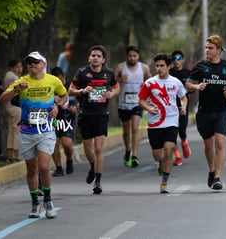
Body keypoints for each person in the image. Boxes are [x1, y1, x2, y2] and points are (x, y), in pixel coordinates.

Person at [0, 51, 67, 219]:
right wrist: (16, 89)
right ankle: (35, 203)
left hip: (46, 130)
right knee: (32, 169)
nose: (32, 64)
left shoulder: (53, 80)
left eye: (36, 62)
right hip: (27, 131)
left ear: (43, 64)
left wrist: (57, 106)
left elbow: (64, 95)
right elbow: (2, 99)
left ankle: (49, 201)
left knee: (44, 167)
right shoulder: (21, 81)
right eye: (29, 62)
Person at [186, 35, 226, 190]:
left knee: (220, 143)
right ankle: (211, 170)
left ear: (219, 50)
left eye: (210, 48)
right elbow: (188, 84)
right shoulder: (200, 66)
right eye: (206, 47)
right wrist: (197, 87)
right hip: (204, 112)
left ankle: (217, 177)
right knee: (208, 145)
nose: (207, 51)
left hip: (223, 111)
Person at [68, 45, 120, 194]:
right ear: (89, 58)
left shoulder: (109, 73)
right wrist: (82, 91)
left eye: (98, 56)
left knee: (98, 148)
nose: (95, 58)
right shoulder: (82, 73)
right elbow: (70, 90)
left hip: (102, 114)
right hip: (85, 114)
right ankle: (92, 165)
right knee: (87, 149)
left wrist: (112, 94)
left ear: (103, 59)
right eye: (93, 55)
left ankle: (98, 181)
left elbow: (117, 88)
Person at [138, 53, 187, 193]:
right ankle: (160, 163)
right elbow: (141, 100)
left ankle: (164, 181)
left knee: (169, 149)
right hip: (154, 124)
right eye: (157, 66)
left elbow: (183, 97)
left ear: (168, 66)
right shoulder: (150, 83)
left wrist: (183, 106)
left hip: (171, 121)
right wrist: (148, 108)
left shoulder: (175, 82)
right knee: (157, 154)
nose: (159, 68)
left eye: (162, 66)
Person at [115, 46, 151, 168]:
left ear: (138, 56)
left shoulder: (144, 68)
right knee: (126, 131)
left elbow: (151, 81)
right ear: (127, 56)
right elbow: (111, 80)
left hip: (137, 102)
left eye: (134, 56)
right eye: (130, 56)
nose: (132, 58)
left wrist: (145, 84)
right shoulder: (121, 67)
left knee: (135, 129)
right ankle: (127, 150)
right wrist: (120, 79)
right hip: (123, 103)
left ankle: (135, 156)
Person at [50, 67, 77, 177]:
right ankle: (59, 167)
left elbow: (77, 102)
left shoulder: (70, 87)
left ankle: (69, 159)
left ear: (63, 77)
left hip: (67, 119)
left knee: (67, 143)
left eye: (59, 80)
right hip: (54, 120)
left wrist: (75, 108)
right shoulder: (50, 89)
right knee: (54, 143)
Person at [169, 50, 192, 166]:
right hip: (170, 108)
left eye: (178, 58)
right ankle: (177, 156)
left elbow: (193, 88)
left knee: (182, 131)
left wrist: (189, 89)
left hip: (183, 106)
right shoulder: (169, 73)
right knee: (172, 134)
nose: (176, 61)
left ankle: (184, 143)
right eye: (174, 59)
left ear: (183, 60)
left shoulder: (188, 73)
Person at [1, 59, 23, 161]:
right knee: (17, 130)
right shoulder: (14, 78)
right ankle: (16, 154)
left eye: (21, 67)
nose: (20, 69)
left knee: (11, 129)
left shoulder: (6, 76)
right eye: (17, 67)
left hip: (7, 107)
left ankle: (10, 154)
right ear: (11, 68)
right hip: (15, 107)